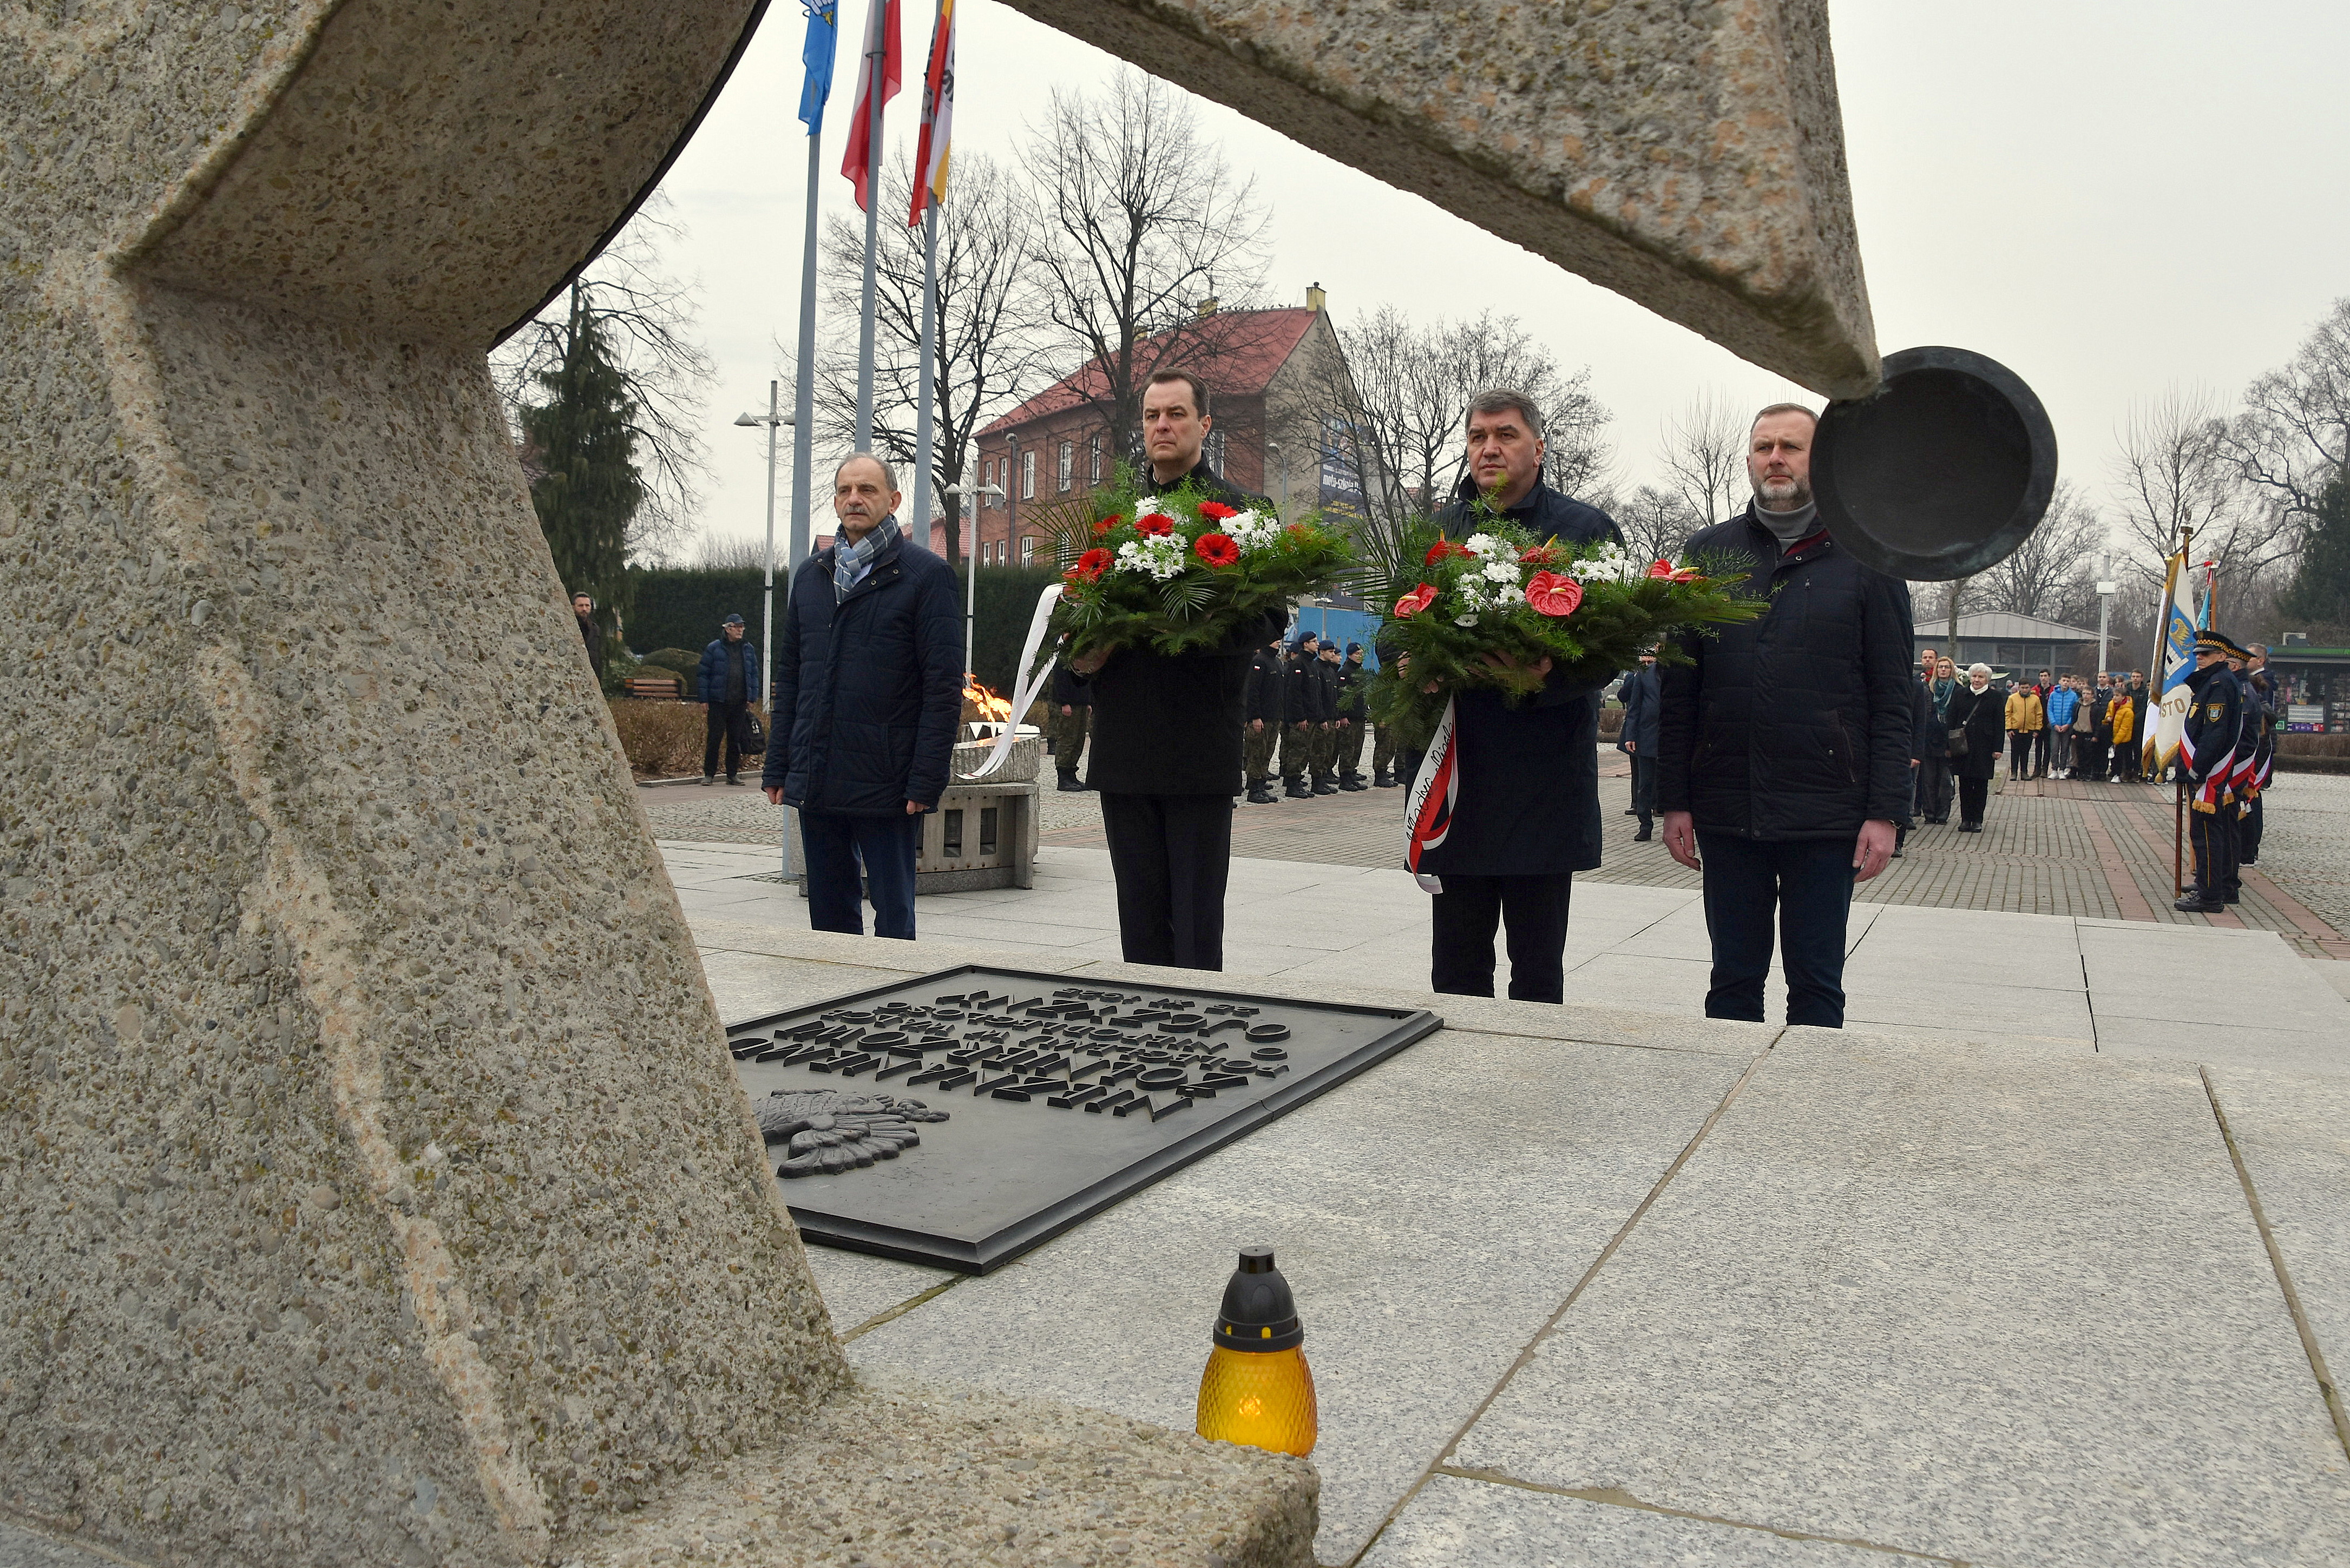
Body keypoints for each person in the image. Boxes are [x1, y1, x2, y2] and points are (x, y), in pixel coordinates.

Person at [1655, 402, 1911, 1029]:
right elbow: (1678, 688)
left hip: (1827, 811)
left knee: (1817, 984)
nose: (1775, 458)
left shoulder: (1870, 558)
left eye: (1791, 447)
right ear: (1747, 460)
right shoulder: (1707, 553)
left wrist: (1885, 812)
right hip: (1727, 807)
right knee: (1732, 980)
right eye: (1764, 446)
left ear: (1819, 462)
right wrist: (1674, 801)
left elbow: (1894, 696)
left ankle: (1807, 1113)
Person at [1064, 368, 1285, 970]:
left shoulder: (1243, 512)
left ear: (1203, 424)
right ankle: (1141, 1036)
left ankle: (1197, 1037)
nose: (1162, 426)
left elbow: (1268, 621)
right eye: (1152, 416)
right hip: (1124, 745)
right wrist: (1080, 661)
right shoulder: (1113, 516)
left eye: (1176, 414)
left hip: (1198, 743)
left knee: (1193, 922)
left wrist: (1180, 626)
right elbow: (1081, 617)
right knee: (1137, 917)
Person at [1408, 388, 1623, 1004]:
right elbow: (1394, 622)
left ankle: (1531, 1085)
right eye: (1477, 437)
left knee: (1536, 970)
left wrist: (1541, 678)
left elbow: (1611, 648)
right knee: (1455, 970)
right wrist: (1406, 661)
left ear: (1539, 446)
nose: (1489, 449)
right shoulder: (1440, 530)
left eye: (1504, 435)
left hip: (1544, 784)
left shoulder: (1583, 530)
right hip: (1459, 780)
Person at [763, 453, 962, 939]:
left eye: (867, 490)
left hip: (887, 780)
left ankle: (896, 1006)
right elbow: (791, 678)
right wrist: (779, 764)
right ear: (835, 500)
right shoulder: (812, 576)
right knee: (829, 921)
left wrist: (925, 779)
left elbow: (942, 688)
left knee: (895, 920)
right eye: (845, 490)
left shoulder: (925, 576)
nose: (855, 499)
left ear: (892, 500)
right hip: (819, 773)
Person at [2175, 631, 2249, 912]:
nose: (2199, 659)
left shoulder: (2219, 684)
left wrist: (2197, 769)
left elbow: (2214, 734)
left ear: (2222, 657)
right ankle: (2209, 885)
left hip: (2209, 774)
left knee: (2206, 834)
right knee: (2204, 833)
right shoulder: (2214, 682)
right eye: (2197, 654)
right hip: (2206, 771)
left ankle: (2210, 896)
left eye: (2205, 655)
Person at [698, 613, 759, 786]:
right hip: (718, 701)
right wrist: (704, 700)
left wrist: (752, 696)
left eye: (742, 627)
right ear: (727, 628)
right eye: (737, 627)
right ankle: (709, 774)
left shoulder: (748, 649)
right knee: (714, 738)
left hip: (739, 701)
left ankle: (732, 774)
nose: (740, 630)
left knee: (735, 739)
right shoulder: (714, 648)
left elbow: (753, 673)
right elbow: (703, 674)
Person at [1944, 663, 2005, 831]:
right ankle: (1965, 819)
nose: (1977, 680)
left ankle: (1977, 819)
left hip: (1985, 747)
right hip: (1963, 746)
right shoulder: (1960, 694)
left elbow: (2000, 723)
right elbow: (1951, 719)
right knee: (1964, 783)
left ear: (1987, 679)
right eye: (1975, 676)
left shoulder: (1995, 697)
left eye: (1981, 677)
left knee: (1980, 784)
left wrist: (1998, 748)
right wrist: (1948, 745)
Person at [1617, 650, 1660, 841]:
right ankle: (1645, 826)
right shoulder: (1643, 674)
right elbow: (1634, 706)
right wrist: (1631, 735)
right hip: (1647, 736)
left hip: (1672, 738)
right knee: (1645, 784)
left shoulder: (1679, 674)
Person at [2241, 645, 2274, 866]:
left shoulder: (2263, 682)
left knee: (2252, 798)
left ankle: (2250, 849)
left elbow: (2267, 715)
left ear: (2261, 660)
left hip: (2258, 747)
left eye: (2250, 655)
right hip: (2254, 745)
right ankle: (2247, 849)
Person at [1243, 635, 1285, 805]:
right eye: (1274, 639)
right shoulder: (1259, 661)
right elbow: (1252, 691)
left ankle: (1261, 784)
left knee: (1267, 753)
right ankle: (1254, 789)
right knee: (1256, 754)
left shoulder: (1277, 662)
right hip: (1262, 718)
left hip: (1274, 717)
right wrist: (1255, 716)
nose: (1278, 641)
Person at [1278, 631, 1321, 799]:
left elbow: (1314, 694)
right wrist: (1300, 717)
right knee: (1298, 751)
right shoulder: (1299, 664)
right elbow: (1294, 694)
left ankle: (1296, 781)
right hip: (1301, 719)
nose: (1317, 644)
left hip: (1311, 717)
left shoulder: (1312, 664)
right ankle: (1292, 784)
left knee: (1305, 751)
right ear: (1305, 644)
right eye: (1314, 641)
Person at [1916, 656, 1957, 823]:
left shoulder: (1958, 691)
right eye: (1941, 667)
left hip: (1948, 742)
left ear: (1951, 670)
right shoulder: (1928, 689)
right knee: (1928, 781)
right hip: (1929, 741)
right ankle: (1929, 813)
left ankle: (1942, 814)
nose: (1943, 670)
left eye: (1947, 667)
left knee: (1945, 781)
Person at [1048, 662, 1093, 792]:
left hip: (1081, 702)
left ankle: (1071, 774)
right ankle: (1063, 778)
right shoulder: (1064, 656)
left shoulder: (1081, 652)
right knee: (1068, 738)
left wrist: (1088, 702)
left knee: (1079, 740)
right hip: (1069, 703)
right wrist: (1064, 702)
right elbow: (1060, 680)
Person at [1333, 644, 1371, 790]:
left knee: (1357, 748)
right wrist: (1342, 715)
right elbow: (1341, 695)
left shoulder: (1359, 671)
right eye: (1357, 653)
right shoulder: (1345, 672)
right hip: (1349, 719)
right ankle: (1345, 778)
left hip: (1359, 717)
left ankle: (1352, 774)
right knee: (1347, 749)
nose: (1360, 655)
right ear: (1350, 655)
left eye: (1361, 652)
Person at [1310, 641, 1344, 794]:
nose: (1333, 654)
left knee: (1329, 750)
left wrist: (1336, 716)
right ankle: (1317, 781)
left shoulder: (1331, 671)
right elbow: (1317, 696)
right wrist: (1321, 718)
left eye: (1333, 652)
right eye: (1330, 652)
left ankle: (1324, 778)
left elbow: (1334, 697)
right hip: (1321, 718)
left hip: (1331, 717)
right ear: (1322, 652)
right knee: (1319, 750)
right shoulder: (1317, 669)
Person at [2004, 680, 2041, 782]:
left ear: (2030, 688)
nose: (2025, 690)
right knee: (2015, 752)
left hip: (2029, 730)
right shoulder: (2012, 698)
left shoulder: (2035, 699)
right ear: (2019, 688)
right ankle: (2014, 772)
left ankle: (2024, 772)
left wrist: (2037, 729)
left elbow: (2039, 714)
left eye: (2027, 688)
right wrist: (2009, 728)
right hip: (2015, 729)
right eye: (2023, 688)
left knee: (2026, 752)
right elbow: (2008, 713)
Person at [2046, 675, 2080, 779]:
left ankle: (2062, 769)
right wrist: (2054, 724)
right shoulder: (2053, 695)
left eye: (2068, 681)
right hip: (2055, 726)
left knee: (2065, 749)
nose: (2065, 683)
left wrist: (2068, 724)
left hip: (2067, 726)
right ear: (2060, 681)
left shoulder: (2073, 696)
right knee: (2055, 748)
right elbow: (2050, 710)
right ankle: (2054, 769)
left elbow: (2074, 712)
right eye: (2064, 681)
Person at [573, 591, 607, 681]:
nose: (584, 609)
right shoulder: (569, 627)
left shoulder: (595, 629)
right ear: (573, 607)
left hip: (592, 676)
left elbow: (598, 655)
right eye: (581, 606)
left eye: (587, 606)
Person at [2108, 681, 2138, 782]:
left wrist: (2116, 741)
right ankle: (2114, 772)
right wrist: (2108, 717)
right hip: (2113, 733)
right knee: (2114, 757)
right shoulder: (2112, 704)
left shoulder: (2128, 711)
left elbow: (2125, 728)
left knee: (2121, 757)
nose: (2114, 698)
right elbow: (2109, 712)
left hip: (2123, 738)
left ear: (2123, 697)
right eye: (2114, 695)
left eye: (2117, 696)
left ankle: (2120, 774)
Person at [2028, 669, 2055, 777]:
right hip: (2038, 723)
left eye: (2045, 676)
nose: (2043, 678)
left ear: (2049, 677)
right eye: (2041, 676)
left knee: (2048, 747)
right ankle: (2037, 769)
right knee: (2038, 747)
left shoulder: (2054, 690)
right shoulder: (2034, 690)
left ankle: (2045, 769)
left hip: (2049, 723)